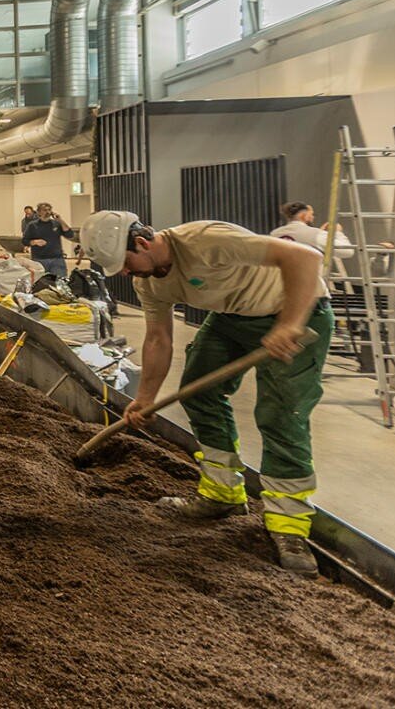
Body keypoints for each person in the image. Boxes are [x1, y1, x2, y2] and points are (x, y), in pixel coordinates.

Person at [79, 211, 331, 575]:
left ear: (143, 243)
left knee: (281, 415)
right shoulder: (148, 283)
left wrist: (290, 323)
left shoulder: (206, 240)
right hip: (233, 316)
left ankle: (289, 526)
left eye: (126, 264)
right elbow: (158, 338)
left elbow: (306, 257)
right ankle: (224, 493)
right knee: (199, 393)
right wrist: (146, 398)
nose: (124, 273)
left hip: (297, 310)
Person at [271, 201, 353, 259]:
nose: (313, 218)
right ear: (304, 216)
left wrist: (320, 232)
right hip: (309, 280)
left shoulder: (274, 234)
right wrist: (337, 232)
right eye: (312, 215)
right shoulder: (316, 235)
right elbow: (347, 251)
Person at [25, 202, 75, 281]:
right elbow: (25, 241)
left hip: (57, 259)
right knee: (40, 283)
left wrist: (60, 220)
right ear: (38, 212)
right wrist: (34, 242)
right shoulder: (32, 225)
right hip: (39, 260)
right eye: (44, 210)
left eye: (49, 210)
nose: (47, 212)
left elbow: (70, 234)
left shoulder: (56, 224)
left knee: (60, 282)